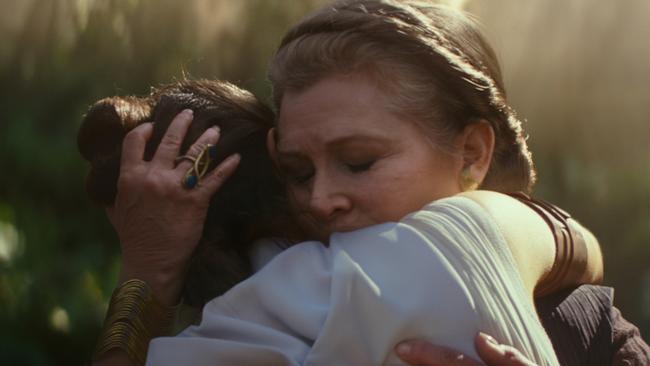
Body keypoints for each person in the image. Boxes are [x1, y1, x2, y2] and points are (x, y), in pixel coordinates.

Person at [83, 1, 649, 365]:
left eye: (359, 162)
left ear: (472, 154)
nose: (320, 200)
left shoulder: (589, 330)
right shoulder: (261, 296)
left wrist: (145, 281)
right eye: (298, 173)